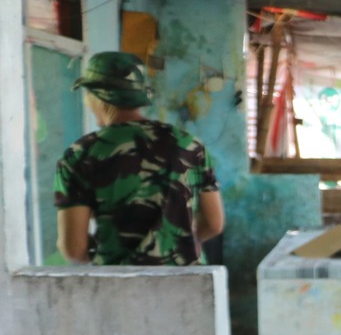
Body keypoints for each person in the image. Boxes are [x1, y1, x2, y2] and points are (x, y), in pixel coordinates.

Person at [54, 51, 223, 265]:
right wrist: (173, 245)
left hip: (119, 287)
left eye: (87, 94)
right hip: (188, 281)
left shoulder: (79, 155)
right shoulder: (188, 144)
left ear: (98, 95)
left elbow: (74, 250)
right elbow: (214, 223)